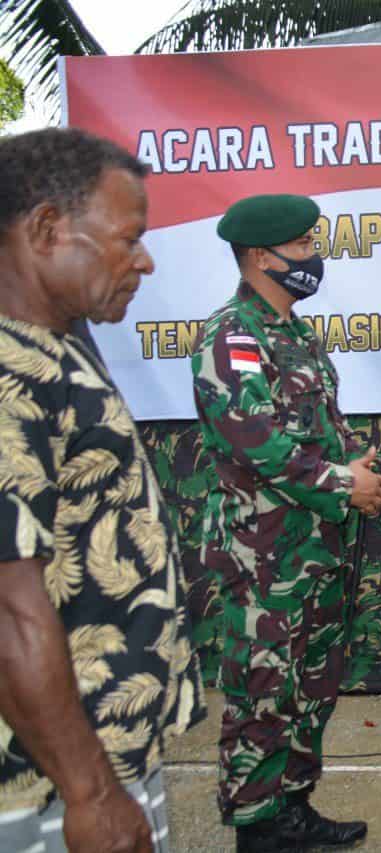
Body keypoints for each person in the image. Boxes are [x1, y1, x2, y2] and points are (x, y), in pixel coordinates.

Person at [0, 127, 204, 852]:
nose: (144, 259)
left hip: (95, 758)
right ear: (48, 229)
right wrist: (89, 791)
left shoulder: (52, 349)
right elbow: (8, 603)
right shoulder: (8, 376)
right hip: (47, 781)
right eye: (129, 237)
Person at [192, 194, 381, 852]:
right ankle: (255, 827)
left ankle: (292, 808)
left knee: (311, 686)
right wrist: (344, 483)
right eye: (302, 246)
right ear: (257, 256)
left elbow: (312, 429)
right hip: (263, 555)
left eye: (312, 243)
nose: (314, 257)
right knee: (262, 692)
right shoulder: (231, 336)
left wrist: (349, 460)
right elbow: (258, 442)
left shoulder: (294, 332)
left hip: (315, 547)